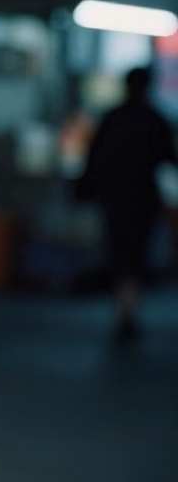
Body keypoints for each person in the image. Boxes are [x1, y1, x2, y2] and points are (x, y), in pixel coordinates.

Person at [79, 66, 178, 342]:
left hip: (115, 197)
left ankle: (123, 310)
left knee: (120, 253)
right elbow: (169, 158)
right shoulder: (156, 120)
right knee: (134, 256)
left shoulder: (113, 118)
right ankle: (127, 310)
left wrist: (86, 189)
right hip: (142, 198)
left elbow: (94, 158)